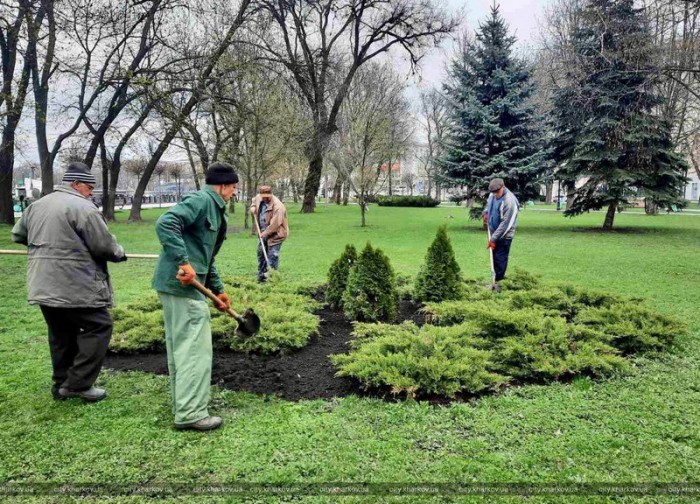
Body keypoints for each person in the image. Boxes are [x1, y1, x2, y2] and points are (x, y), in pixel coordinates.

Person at [11, 162, 127, 402]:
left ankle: (61, 384)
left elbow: (19, 235)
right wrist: (119, 252)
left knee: (61, 332)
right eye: (89, 186)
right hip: (75, 284)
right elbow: (104, 246)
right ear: (75, 184)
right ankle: (78, 384)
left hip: (42, 283)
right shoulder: (84, 208)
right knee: (99, 325)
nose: (91, 192)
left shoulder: (37, 205)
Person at [152, 162, 238, 432]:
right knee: (194, 350)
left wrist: (217, 290)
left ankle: (184, 404)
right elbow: (166, 223)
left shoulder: (213, 208)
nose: (234, 192)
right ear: (222, 185)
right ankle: (190, 412)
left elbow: (205, 255)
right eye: (233, 187)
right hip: (181, 287)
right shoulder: (202, 200)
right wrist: (182, 261)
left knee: (183, 348)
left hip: (181, 287)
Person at [482, 178, 519, 286]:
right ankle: (495, 282)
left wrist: (493, 239)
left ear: (503, 187)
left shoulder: (509, 201)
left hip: (505, 235)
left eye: (497, 192)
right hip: (494, 233)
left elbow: (506, 224)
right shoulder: (492, 195)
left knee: (500, 259)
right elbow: (489, 205)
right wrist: (485, 212)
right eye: (494, 193)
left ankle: (499, 284)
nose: (496, 195)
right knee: (493, 259)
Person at [249, 185, 289, 282]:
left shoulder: (278, 206)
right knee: (261, 254)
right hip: (263, 232)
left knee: (272, 256)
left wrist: (265, 233)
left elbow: (275, 225)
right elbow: (254, 200)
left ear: (271, 194)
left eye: (267, 196)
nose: (265, 198)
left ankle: (272, 278)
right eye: (263, 196)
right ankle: (261, 277)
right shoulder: (259, 197)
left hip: (276, 235)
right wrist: (253, 207)